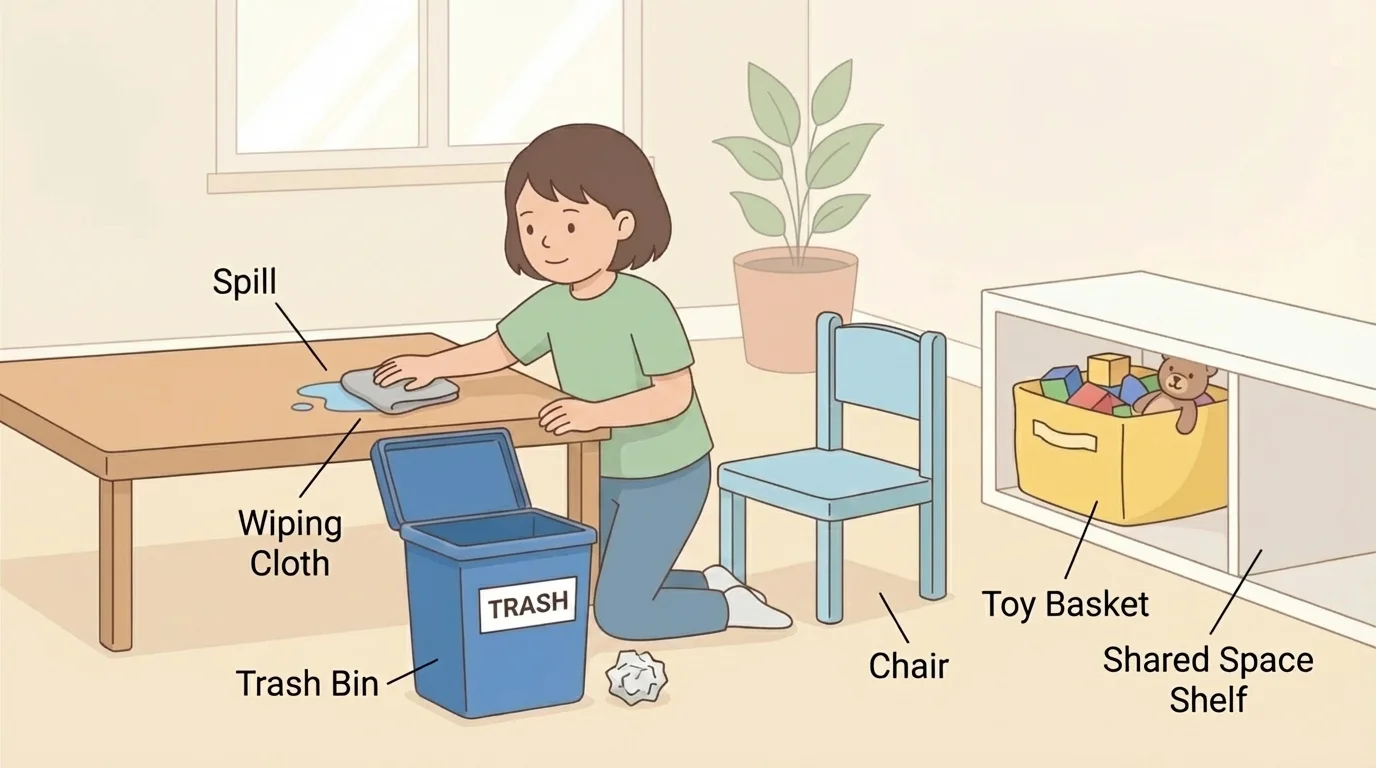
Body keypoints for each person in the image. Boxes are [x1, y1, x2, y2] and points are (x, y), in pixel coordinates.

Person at [372, 123, 792, 640]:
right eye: (530, 226)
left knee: (620, 615)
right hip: (600, 466)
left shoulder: (644, 305)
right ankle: (714, 581)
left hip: (666, 474)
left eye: (568, 226)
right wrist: (434, 364)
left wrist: (593, 415)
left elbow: (673, 395)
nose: (546, 242)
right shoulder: (551, 305)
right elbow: (499, 350)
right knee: (592, 581)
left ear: (622, 224)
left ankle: (728, 611)